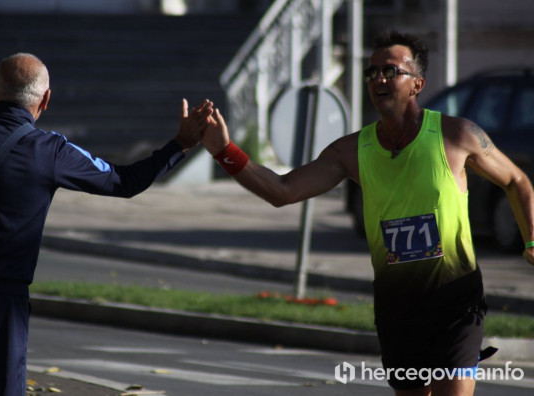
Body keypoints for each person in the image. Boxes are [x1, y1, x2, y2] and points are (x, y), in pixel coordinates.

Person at [202, 31, 534, 395]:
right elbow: (283, 191)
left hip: (455, 299)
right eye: (372, 72)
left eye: (390, 71)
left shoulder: (456, 135)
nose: (378, 79)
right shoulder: (351, 151)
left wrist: (532, 238)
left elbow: (517, 180)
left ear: (417, 83)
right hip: (397, 305)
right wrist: (225, 152)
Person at [0, 52, 213, 395]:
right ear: (46, 99)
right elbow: (124, 181)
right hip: (1, 299)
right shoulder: (50, 151)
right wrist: (180, 145)